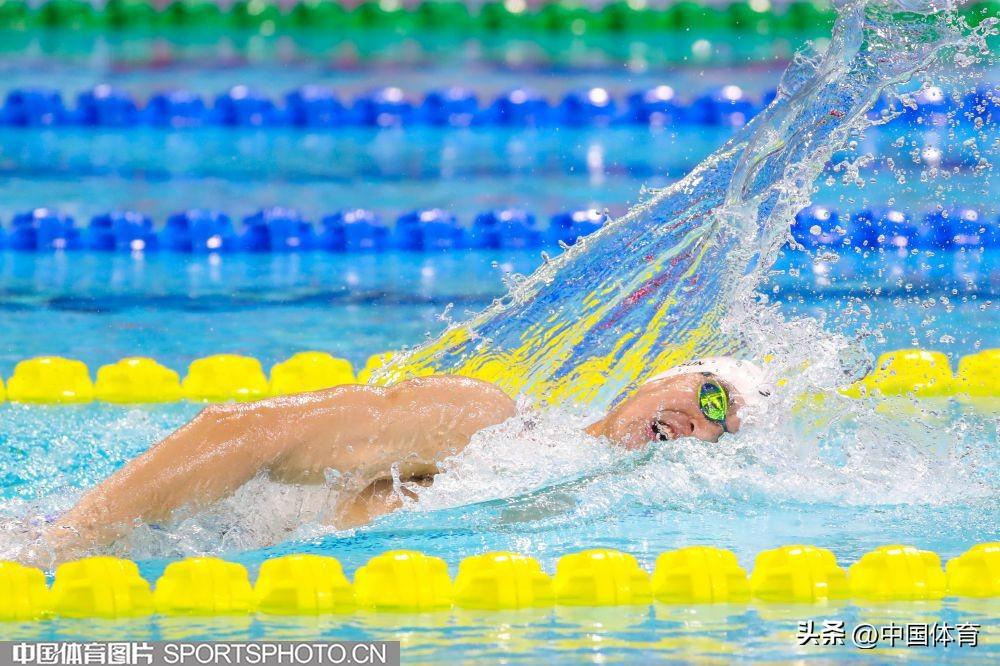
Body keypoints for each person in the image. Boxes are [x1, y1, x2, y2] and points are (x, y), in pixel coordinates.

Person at [41, 357, 769, 562]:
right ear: (663, 378)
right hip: (122, 551)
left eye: (721, 428)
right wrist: (62, 545)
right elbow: (237, 432)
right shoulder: (485, 422)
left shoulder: (602, 522)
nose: (701, 421)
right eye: (711, 394)